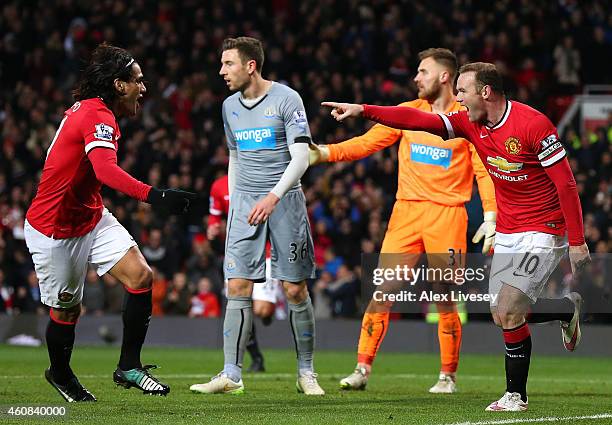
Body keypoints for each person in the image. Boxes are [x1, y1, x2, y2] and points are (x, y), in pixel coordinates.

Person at [322, 61, 590, 411]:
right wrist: (364, 110)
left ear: (486, 92)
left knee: (508, 309)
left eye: (462, 91)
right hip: (510, 228)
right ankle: (564, 310)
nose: (458, 99)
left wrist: (577, 240)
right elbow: (418, 121)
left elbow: (566, 184)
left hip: (544, 228)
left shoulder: (533, 125)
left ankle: (515, 396)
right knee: (502, 312)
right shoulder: (468, 122)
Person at [309, 48, 496, 393]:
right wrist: (324, 153)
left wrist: (490, 213)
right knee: (382, 291)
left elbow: (484, 170)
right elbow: (367, 143)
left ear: (443, 77)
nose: (416, 78)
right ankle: (362, 369)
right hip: (406, 213)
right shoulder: (409, 112)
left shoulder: (465, 118)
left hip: (447, 214)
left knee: (444, 297)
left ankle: (447, 376)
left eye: (422, 71)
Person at [24, 43, 196, 402]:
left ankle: (129, 366)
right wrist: (156, 195)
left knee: (141, 276)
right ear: (119, 85)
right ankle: (59, 373)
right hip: (55, 228)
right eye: (138, 81)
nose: (143, 88)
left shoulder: (95, 112)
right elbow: (105, 169)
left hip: (91, 215)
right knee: (67, 311)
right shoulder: (98, 116)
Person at [189, 37, 323, 396]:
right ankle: (232, 375)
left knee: (295, 289)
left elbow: (300, 158)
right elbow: (234, 156)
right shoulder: (228, 106)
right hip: (246, 205)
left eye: (228, 64)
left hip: (285, 202)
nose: (221, 71)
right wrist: (236, 202)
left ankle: (306, 373)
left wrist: (273, 197)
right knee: (237, 286)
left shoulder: (286, 99)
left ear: (250, 66)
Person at [208, 173, 286, 372]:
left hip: (266, 251)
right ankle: (256, 358)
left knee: (261, 311)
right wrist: (212, 228)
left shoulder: (260, 178)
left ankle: (272, 301)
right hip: (237, 250)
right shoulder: (218, 186)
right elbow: (214, 216)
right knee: (241, 305)